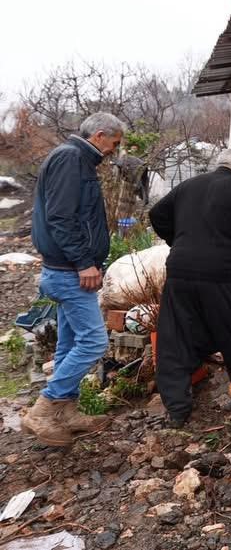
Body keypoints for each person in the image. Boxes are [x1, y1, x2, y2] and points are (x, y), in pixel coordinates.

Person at [149, 149, 231, 427]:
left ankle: (177, 410)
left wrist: (178, 240)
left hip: (180, 272)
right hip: (221, 275)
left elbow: (156, 214)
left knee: (175, 337)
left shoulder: (188, 186)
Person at [23, 112, 127, 446]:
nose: (113, 150)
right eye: (113, 143)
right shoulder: (70, 159)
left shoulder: (76, 159)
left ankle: (65, 411)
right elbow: (61, 218)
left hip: (68, 269)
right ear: (99, 135)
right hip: (69, 271)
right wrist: (85, 262)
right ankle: (43, 410)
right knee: (94, 342)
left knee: (69, 343)